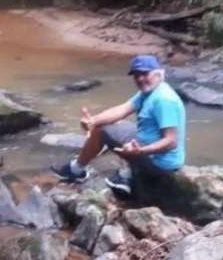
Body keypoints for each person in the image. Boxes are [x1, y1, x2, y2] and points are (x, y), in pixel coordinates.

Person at [50, 54, 186, 197]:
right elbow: (123, 109)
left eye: (145, 74)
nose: (140, 79)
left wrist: (141, 151)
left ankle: (76, 170)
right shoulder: (150, 92)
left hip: (160, 165)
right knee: (112, 124)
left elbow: (171, 142)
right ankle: (125, 174)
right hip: (155, 155)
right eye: (136, 75)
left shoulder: (163, 100)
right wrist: (93, 120)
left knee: (102, 130)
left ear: (159, 73)